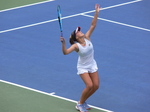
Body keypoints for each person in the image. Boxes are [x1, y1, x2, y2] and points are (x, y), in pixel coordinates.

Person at [60, 4, 101, 112]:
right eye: (78, 31)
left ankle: (83, 101)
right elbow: (65, 53)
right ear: (76, 37)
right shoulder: (76, 46)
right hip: (83, 67)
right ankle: (80, 104)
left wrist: (96, 12)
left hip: (92, 64)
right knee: (89, 85)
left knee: (96, 86)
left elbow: (93, 25)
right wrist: (63, 43)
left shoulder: (87, 38)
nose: (80, 31)